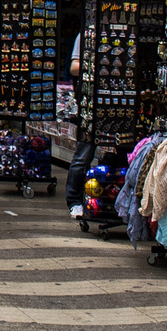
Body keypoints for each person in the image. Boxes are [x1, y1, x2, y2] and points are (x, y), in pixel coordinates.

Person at [65, 32, 96, 219]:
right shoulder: (86, 35)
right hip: (90, 104)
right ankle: (74, 200)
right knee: (83, 155)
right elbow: (73, 68)